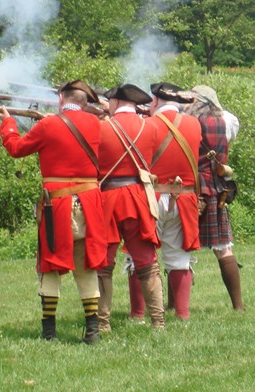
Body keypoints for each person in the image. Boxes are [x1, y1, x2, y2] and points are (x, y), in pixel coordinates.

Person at [0, 80, 107, 343]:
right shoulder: (96, 124)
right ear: (84, 102)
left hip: (57, 206)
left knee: (49, 267)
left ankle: (49, 333)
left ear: (61, 99)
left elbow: (16, 148)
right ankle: (92, 331)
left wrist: (8, 123)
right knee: (86, 267)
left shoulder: (49, 125)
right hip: (90, 206)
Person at [96, 83, 164, 330]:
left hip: (108, 200)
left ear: (114, 102)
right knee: (147, 263)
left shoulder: (101, 127)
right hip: (138, 198)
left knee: (103, 265)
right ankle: (158, 321)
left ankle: (102, 323)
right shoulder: (152, 126)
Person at [145, 82, 201, 320]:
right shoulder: (194, 124)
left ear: (155, 101)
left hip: (152, 198)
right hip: (185, 199)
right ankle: (182, 314)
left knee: (141, 257)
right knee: (179, 259)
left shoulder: (146, 125)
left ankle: (138, 313)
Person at [187, 85, 245, 311]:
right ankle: (238, 306)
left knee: (180, 248)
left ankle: (176, 307)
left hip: (192, 188)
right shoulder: (229, 120)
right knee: (223, 248)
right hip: (217, 188)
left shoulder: (187, 122)